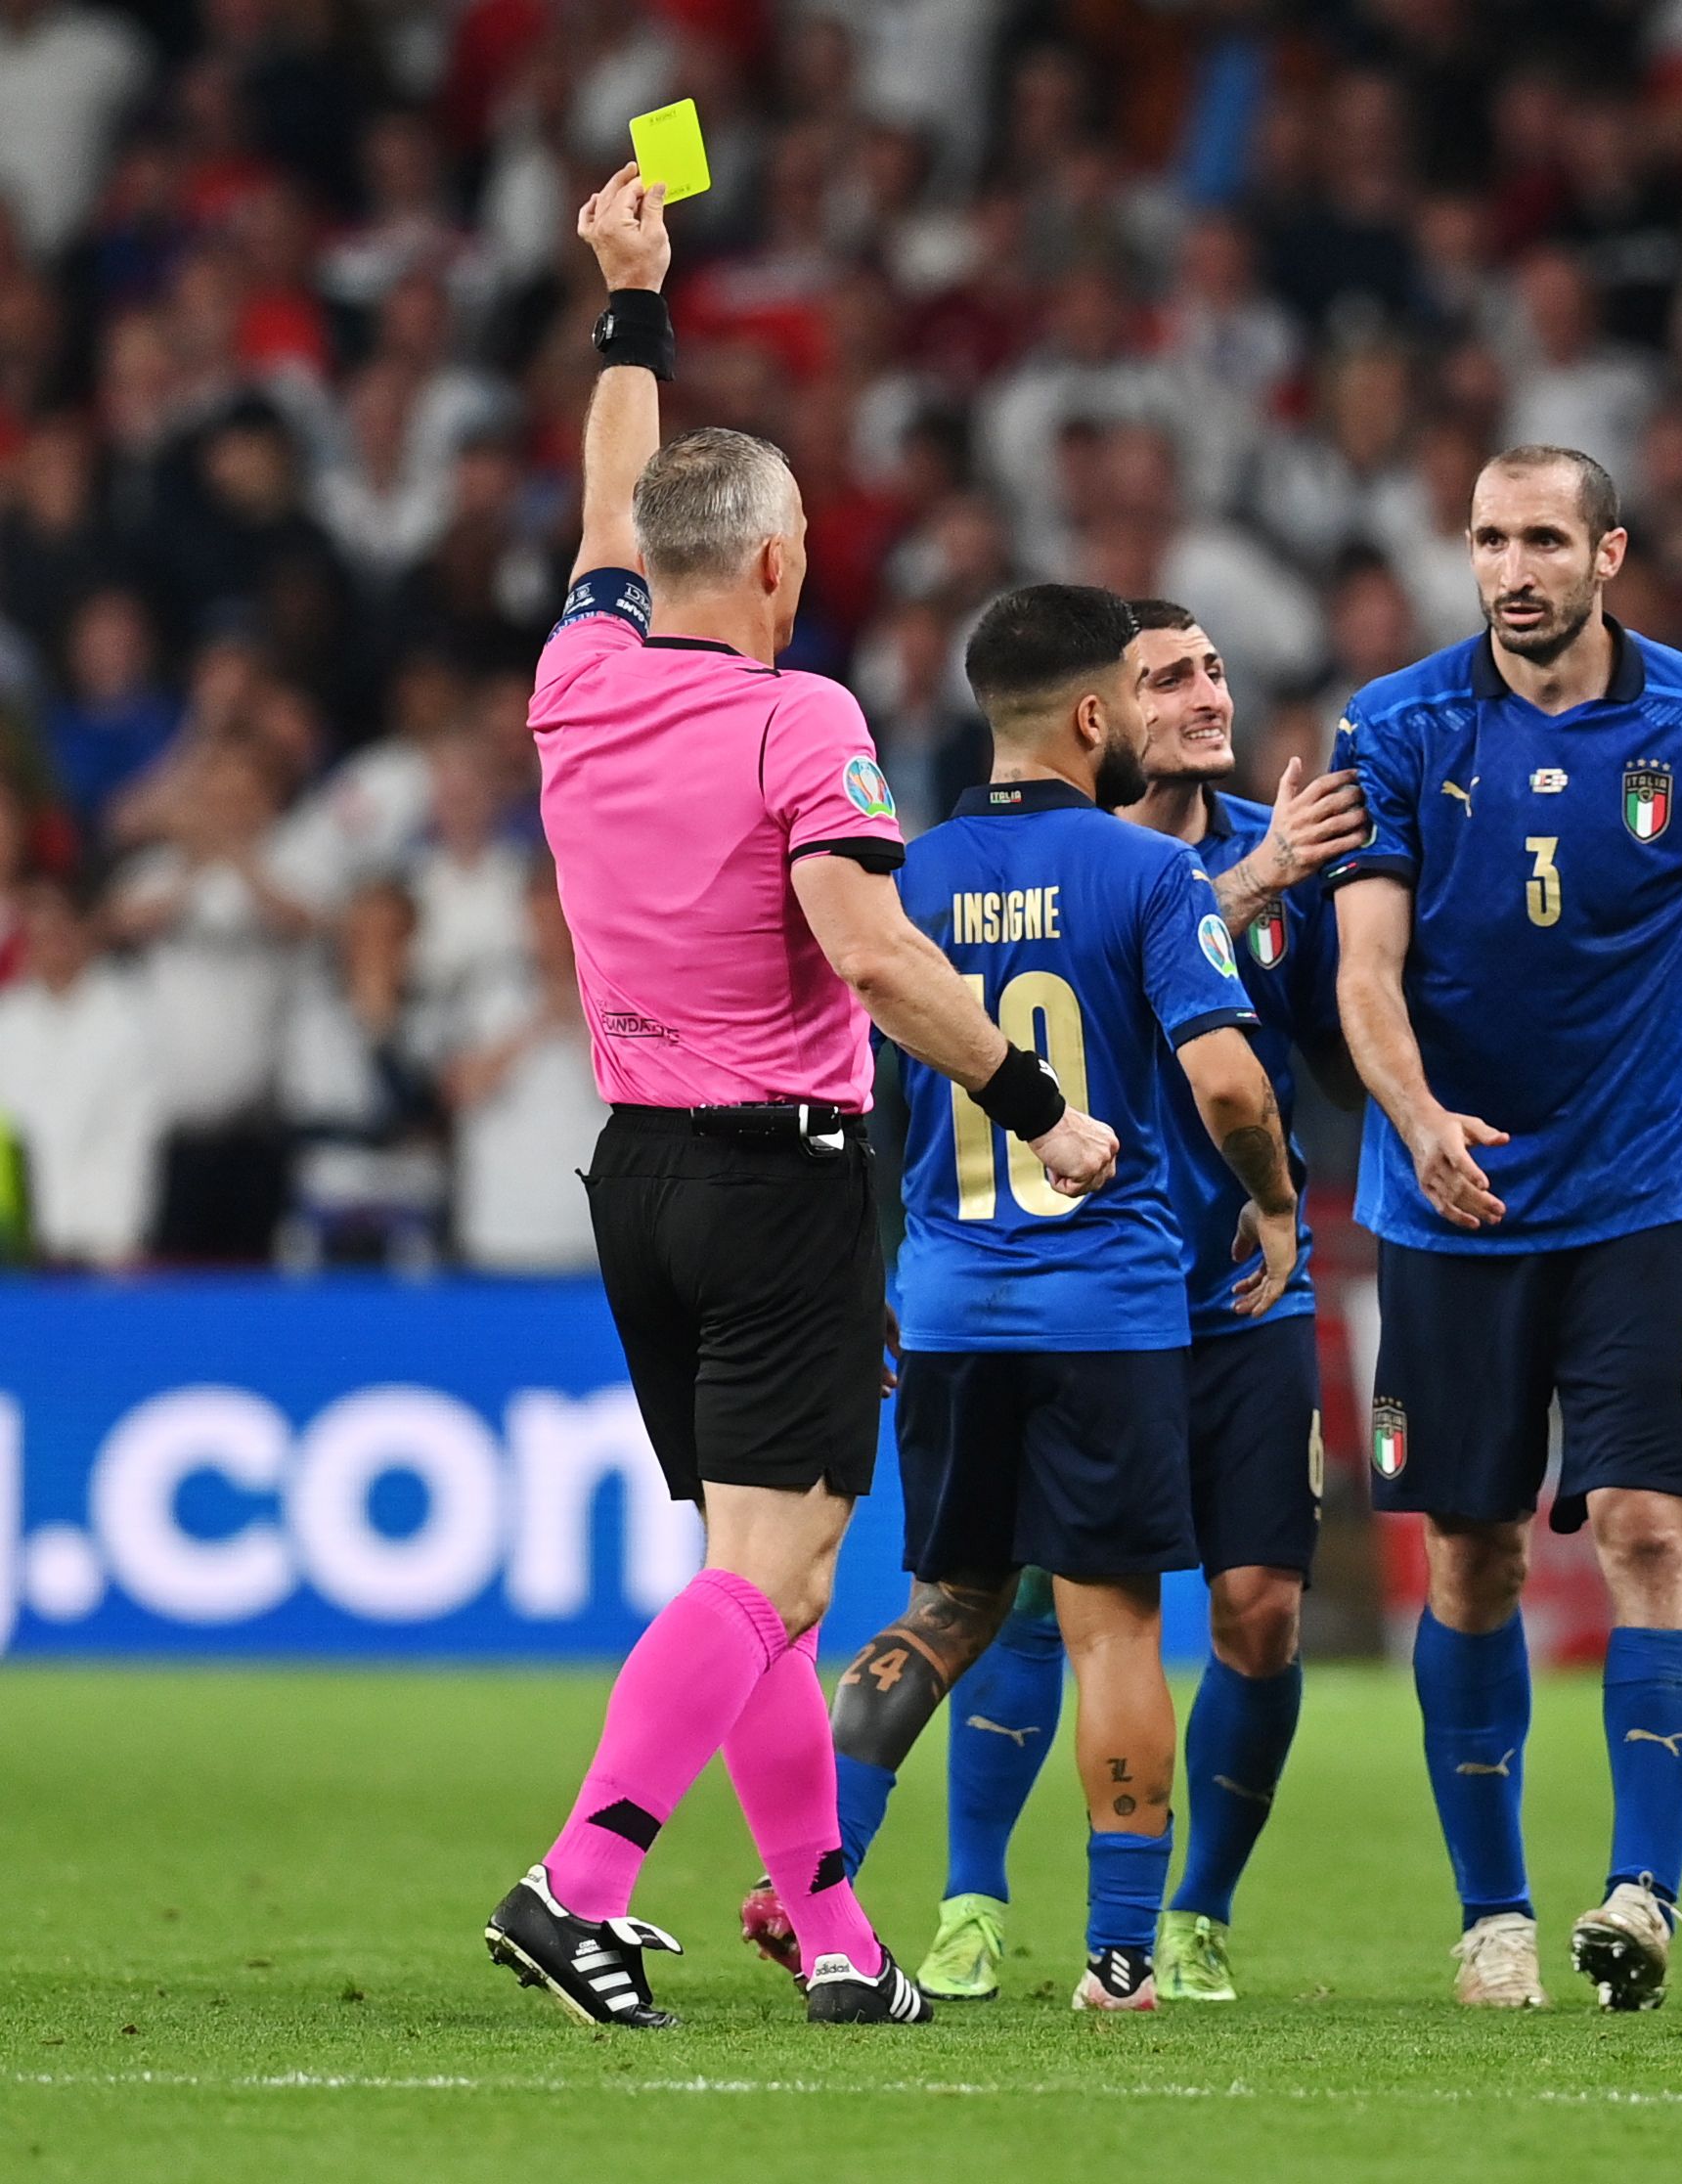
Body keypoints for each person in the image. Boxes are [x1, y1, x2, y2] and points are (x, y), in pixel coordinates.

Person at [483, 166, 1117, 2034]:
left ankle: (835, 1940)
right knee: (779, 1572)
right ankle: (578, 1877)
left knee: (770, 1576)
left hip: (640, 1179)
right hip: (783, 1179)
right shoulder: (800, 720)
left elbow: (615, 494)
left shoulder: (576, 675)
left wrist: (631, 307)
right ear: (776, 561)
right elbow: (868, 951)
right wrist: (1029, 1098)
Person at [1328, 443, 1682, 2012]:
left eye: (1544, 537)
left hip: (1647, 1196)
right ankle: (1495, 1916)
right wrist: (1419, 1123)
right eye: (1487, 538)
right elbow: (1363, 968)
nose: (1512, 568)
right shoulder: (1396, 725)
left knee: (1648, 1530)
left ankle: (1642, 1895)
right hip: (1453, 1200)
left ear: (1610, 550)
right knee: (1469, 1556)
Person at [745, 583, 1304, 2015]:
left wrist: (873, 1264)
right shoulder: (1146, 876)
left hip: (946, 1301)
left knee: (943, 1607)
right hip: (1105, 1310)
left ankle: (815, 1882)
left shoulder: (904, 877)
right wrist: (1275, 1194)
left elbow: (857, 1094)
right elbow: (1231, 1080)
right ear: (1094, 714)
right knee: (1114, 1622)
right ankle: (1123, 1952)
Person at [909, 597, 1367, 2006]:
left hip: (1235, 1286)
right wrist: (1247, 891)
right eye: (1169, 675)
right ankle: (975, 1899)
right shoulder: (1114, 868)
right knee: (1038, 1601)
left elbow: (1337, 1041)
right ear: (1104, 710)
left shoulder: (1290, 867)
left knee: (1262, 1610)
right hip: (1087, 1284)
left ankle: (1196, 1911)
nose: (1208, 694)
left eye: (1218, 668)